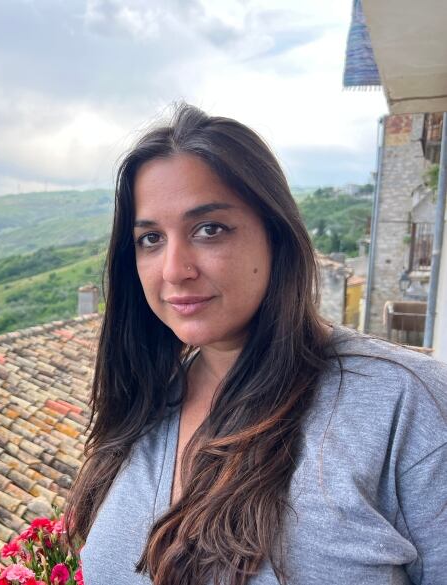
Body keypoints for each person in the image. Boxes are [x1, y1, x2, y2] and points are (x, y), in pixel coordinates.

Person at [64, 104, 447, 585]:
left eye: (209, 230)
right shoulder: (143, 404)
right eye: (151, 239)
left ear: (275, 233)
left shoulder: (405, 403)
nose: (174, 270)